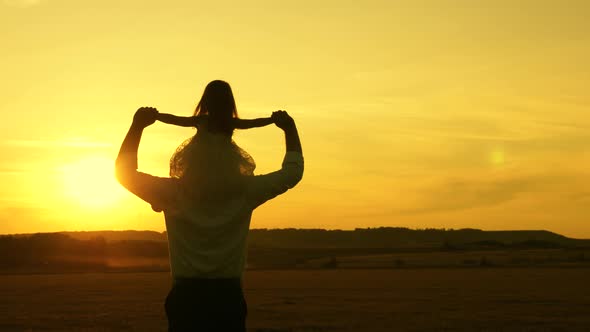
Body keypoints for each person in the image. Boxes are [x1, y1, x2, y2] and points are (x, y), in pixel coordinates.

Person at [114, 80, 304, 332]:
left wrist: (137, 126)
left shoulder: (172, 193)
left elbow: (124, 173)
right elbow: (292, 172)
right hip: (227, 299)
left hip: (185, 298)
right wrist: (289, 129)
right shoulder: (245, 191)